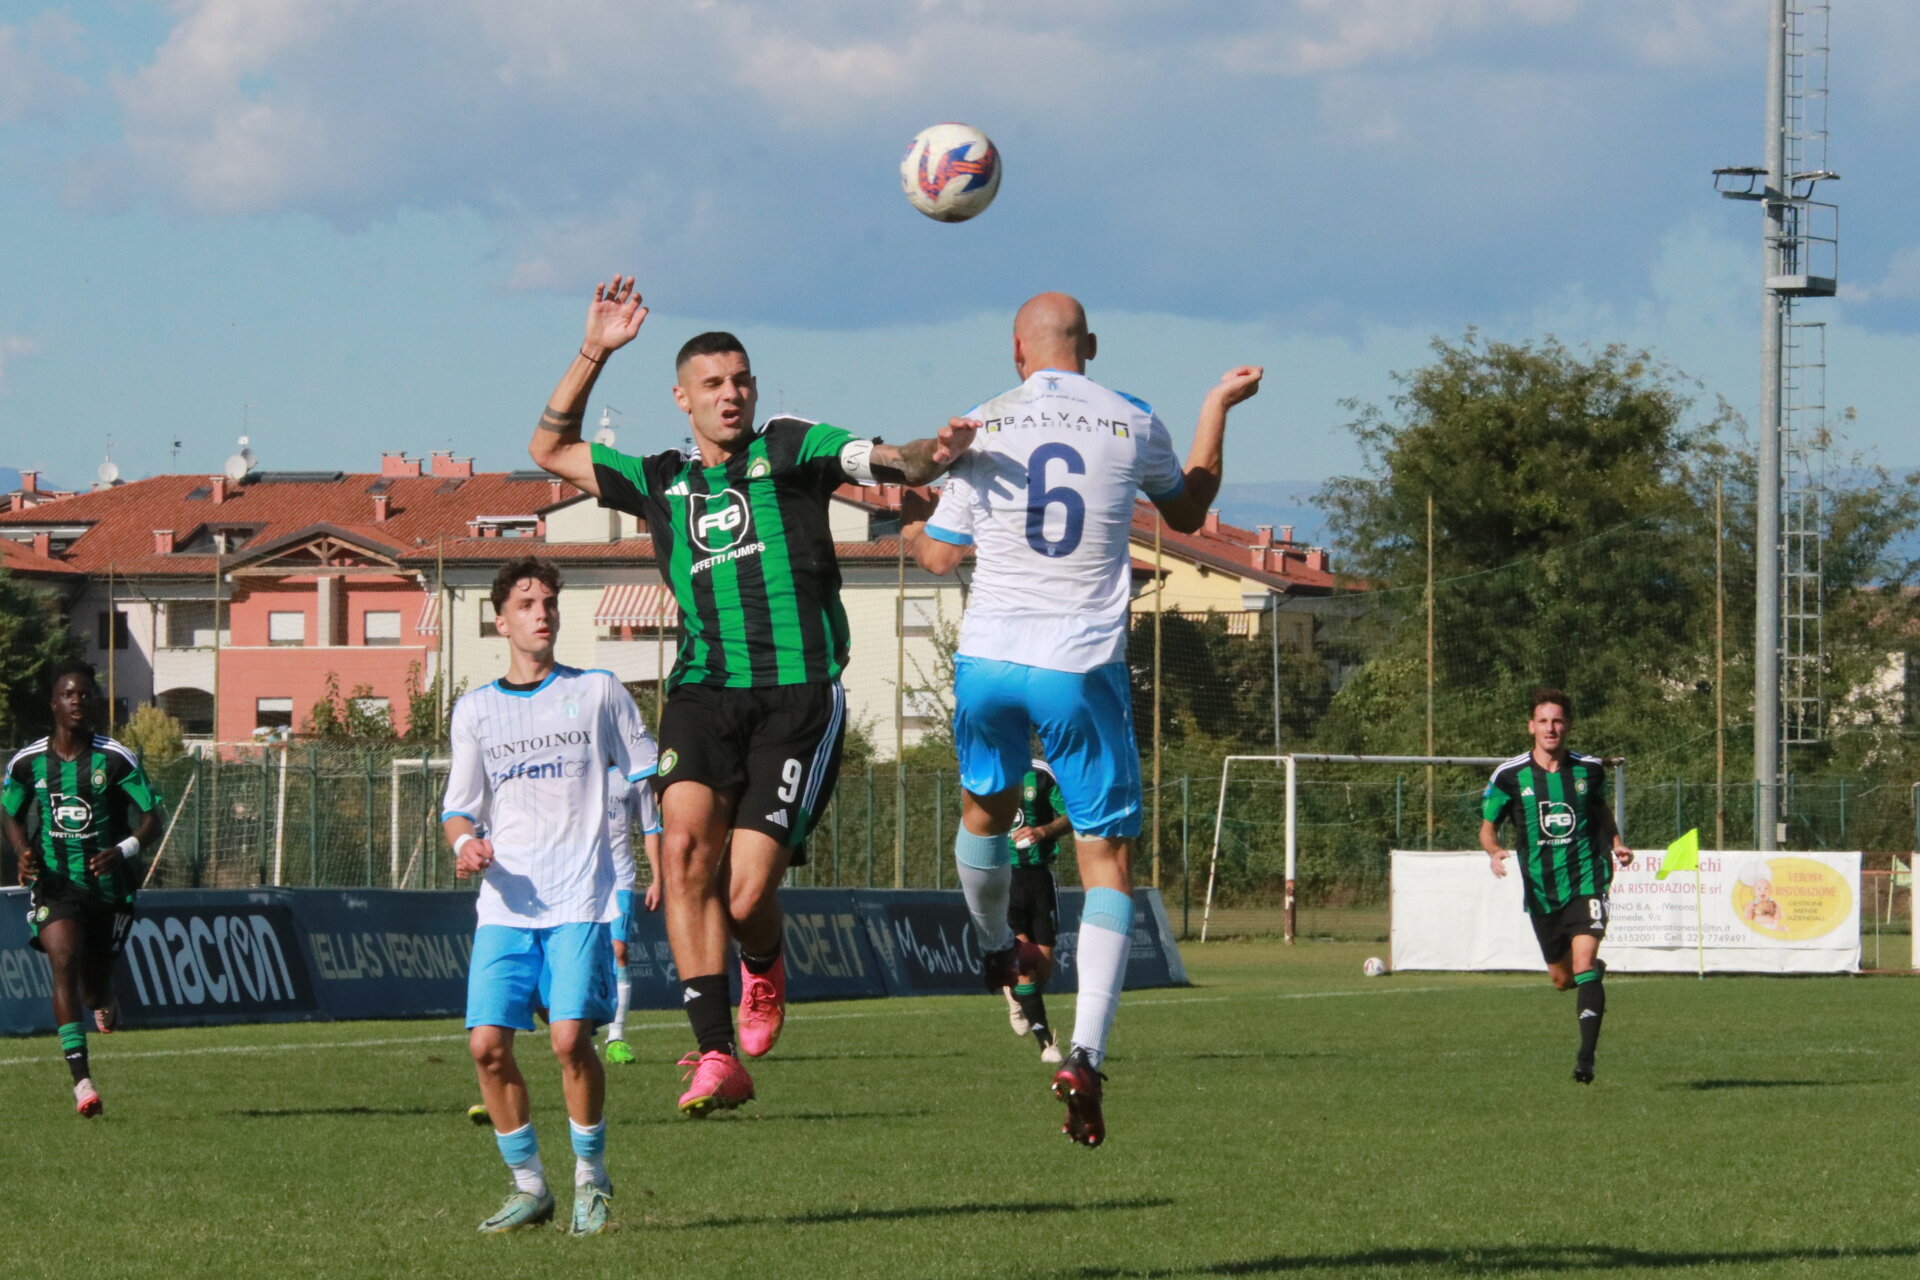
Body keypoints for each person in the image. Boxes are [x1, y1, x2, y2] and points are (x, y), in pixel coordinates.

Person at [527, 275, 976, 1117]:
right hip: (702, 693)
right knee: (684, 853)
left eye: (741, 381)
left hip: (798, 697)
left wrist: (929, 454)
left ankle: (763, 967)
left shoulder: (793, 447)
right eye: (713, 385)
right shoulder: (657, 478)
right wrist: (594, 350)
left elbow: (885, 460)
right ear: (682, 400)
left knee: (742, 896)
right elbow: (550, 448)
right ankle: (713, 1053)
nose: (731, 395)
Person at [904, 291, 1262, 1147]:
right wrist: (1217, 407)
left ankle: (997, 947)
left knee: (982, 812)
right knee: (1108, 865)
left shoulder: (981, 424)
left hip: (989, 660)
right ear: (1088, 347)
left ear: (1017, 353)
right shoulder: (1132, 418)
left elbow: (942, 553)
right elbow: (1187, 507)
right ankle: (1087, 1056)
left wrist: (920, 523)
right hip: (1078, 665)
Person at [441, 557, 660, 1235]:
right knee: (486, 1047)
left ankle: (591, 1180)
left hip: (583, 902)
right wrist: (463, 845)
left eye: (550, 603)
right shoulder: (475, 710)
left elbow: (649, 777)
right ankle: (531, 1187)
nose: (543, 613)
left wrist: (663, 858)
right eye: (528, 603)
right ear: (500, 619)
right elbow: (458, 808)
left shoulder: (598, 691)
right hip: (506, 906)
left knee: (569, 1040)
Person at [2, 660, 162, 1118]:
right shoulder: (29, 761)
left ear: (95, 703)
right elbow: (8, 811)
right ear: (54, 703)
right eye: (69, 694)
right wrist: (21, 849)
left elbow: (152, 818)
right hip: (56, 885)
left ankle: (105, 998)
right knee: (63, 962)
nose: (78, 701)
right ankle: (82, 1082)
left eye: (86, 695)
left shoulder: (115, 758)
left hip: (110, 888)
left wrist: (125, 848)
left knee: (94, 988)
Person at [1478, 687, 1632, 1085]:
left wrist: (1615, 843)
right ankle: (1589, 974)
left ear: (1569, 726)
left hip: (1588, 878)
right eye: (1543, 721)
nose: (1551, 728)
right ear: (1531, 726)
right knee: (1564, 979)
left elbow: (1600, 813)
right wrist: (1494, 852)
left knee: (1582, 964)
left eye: (1558, 720)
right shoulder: (1509, 776)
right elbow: (1487, 828)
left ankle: (1586, 1059)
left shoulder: (1589, 770)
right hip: (1542, 889)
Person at [1004, 756, 1071, 1065]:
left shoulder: (1041, 773)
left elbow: (1071, 816)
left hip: (1039, 878)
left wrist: (1043, 832)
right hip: (1002, 879)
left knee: (1042, 967)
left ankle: (1015, 994)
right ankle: (1046, 1044)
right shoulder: (987, 771)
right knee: (1024, 962)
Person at [603, 764, 663, 1064]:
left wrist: (657, 877)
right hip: (580, 878)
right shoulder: (578, 765)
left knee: (619, 950)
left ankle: (616, 1037)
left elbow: (651, 828)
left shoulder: (634, 775)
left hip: (620, 879)